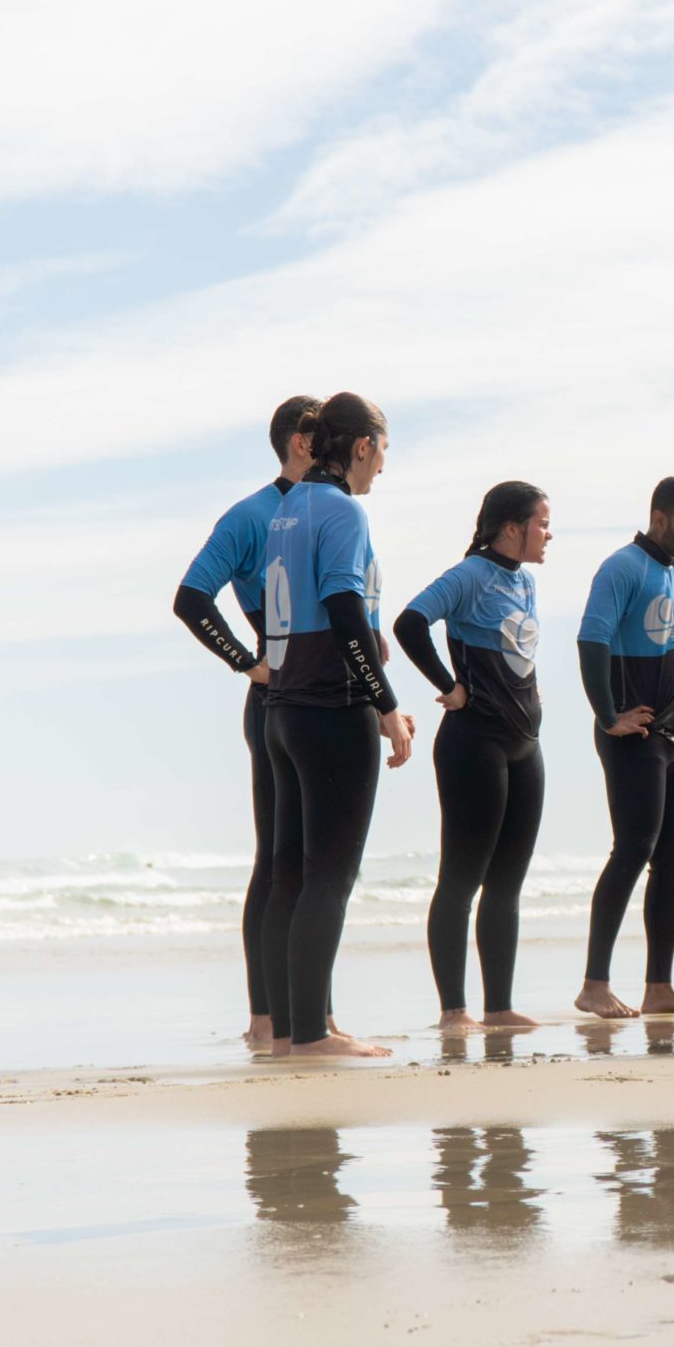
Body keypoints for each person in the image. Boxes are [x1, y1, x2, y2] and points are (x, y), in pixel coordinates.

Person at [260, 393, 414, 1058]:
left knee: (297, 873)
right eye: (382, 451)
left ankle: (300, 1026)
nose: (383, 466)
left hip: (285, 708)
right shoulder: (344, 509)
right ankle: (314, 1034)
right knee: (330, 875)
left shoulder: (288, 509)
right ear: (361, 447)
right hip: (331, 707)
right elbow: (345, 608)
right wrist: (385, 703)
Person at [172, 395, 314, 1050]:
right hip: (276, 700)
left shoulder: (331, 511)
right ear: (299, 441)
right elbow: (191, 596)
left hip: (320, 697)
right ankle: (265, 1016)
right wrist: (247, 662)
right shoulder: (253, 514)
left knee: (317, 864)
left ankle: (310, 1013)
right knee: (280, 860)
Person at [395, 482, 551, 1033]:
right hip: (473, 744)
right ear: (511, 527)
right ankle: (453, 1011)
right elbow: (410, 622)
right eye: (541, 522)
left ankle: (500, 1006)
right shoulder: (469, 575)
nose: (548, 533)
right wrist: (449, 686)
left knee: (507, 882)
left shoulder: (525, 581)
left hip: (524, 746)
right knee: (461, 880)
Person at [571, 476, 674, 1020]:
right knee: (633, 850)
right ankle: (594, 984)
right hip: (635, 735)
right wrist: (608, 716)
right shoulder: (623, 567)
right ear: (660, 518)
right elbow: (592, 639)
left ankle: (660, 986)